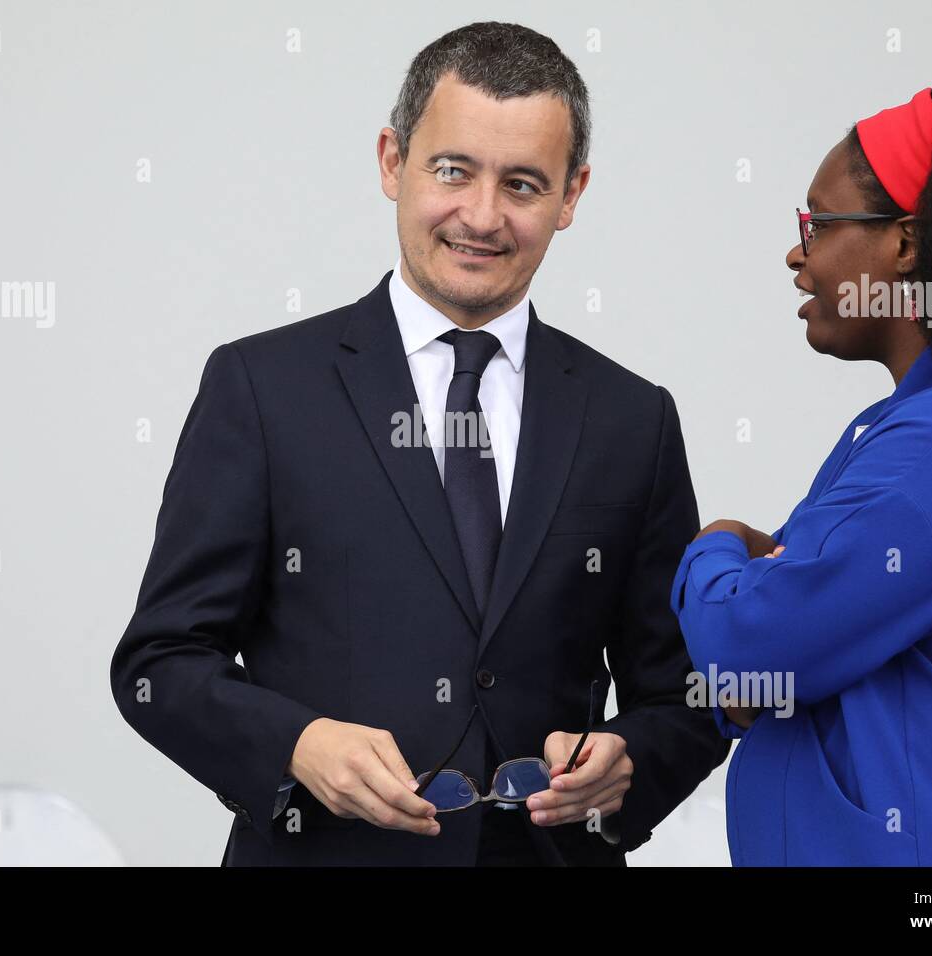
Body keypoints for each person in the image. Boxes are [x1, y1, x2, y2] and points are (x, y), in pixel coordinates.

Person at [110, 21, 728, 867]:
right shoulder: (262, 388)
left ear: (572, 194)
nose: (482, 216)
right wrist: (298, 743)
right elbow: (161, 662)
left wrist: (629, 762)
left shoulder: (633, 417)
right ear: (392, 162)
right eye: (452, 171)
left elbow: (685, 698)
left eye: (522, 184)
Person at [672, 67, 932, 865]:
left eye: (818, 224)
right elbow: (789, 662)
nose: (796, 256)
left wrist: (716, 545)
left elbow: (749, 646)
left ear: (907, 243)